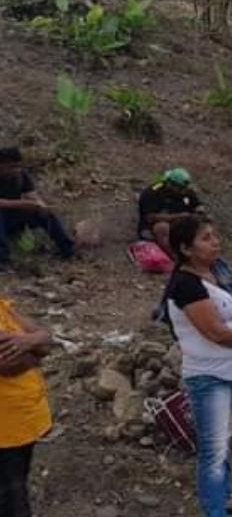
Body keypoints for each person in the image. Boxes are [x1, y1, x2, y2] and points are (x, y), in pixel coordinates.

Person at [165, 217, 232, 517]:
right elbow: (215, 331)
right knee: (212, 449)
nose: (215, 242)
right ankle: (214, 510)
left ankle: (224, 498)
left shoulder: (217, 273)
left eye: (214, 235)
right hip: (209, 375)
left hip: (231, 369)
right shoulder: (186, 285)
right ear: (185, 248)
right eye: (206, 238)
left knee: (223, 440)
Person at [0, 297, 52, 517]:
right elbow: (8, 365)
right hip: (5, 429)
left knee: (17, 483)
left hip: (21, 423)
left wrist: (29, 343)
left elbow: (46, 336)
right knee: (11, 499)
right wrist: (35, 348)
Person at [0, 146, 75, 267]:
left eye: (18, 166)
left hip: (12, 218)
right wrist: (23, 204)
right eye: (11, 167)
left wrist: (40, 205)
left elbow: (32, 195)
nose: (16, 170)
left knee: (45, 214)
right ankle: (2, 260)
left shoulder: (21, 175)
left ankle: (68, 250)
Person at [139, 168, 205, 254]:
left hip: (180, 223)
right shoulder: (153, 193)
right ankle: (173, 256)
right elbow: (150, 217)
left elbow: (197, 205)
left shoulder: (186, 191)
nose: (183, 191)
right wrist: (178, 216)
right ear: (170, 184)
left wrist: (200, 211)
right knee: (162, 228)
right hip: (156, 225)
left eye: (184, 188)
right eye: (180, 189)